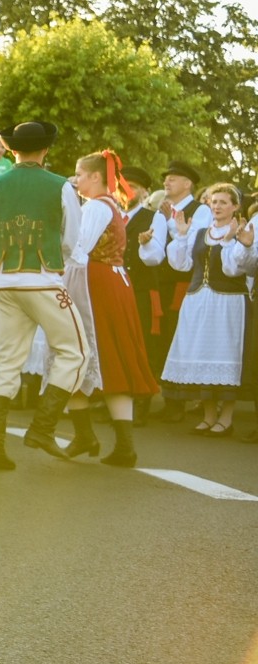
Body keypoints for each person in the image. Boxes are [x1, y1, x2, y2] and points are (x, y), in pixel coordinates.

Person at [0, 121, 87, 470]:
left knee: (7, 362)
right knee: (76, 353)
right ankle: (43, 427)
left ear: (11, 150)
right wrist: (55, 260)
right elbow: (72, 239)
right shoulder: (60, 185)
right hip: (42, 279)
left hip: (1, 282)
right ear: (46, 150)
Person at [55, 151, 159, 465]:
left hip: (94, 284)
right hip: (110, 282)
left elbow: (78, 250)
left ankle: (91, 437)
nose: (76, 180)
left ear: (96, 176)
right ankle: (116, 444)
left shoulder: (96, 207)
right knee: (104, 358)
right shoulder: (109, 206)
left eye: (80, 174)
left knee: (80, 353)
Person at [158, 182, 245, 436]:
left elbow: (234, 269)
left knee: (225, 356)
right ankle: (209, 416)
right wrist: (181, 235)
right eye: (213, 202)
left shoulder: (240, 233)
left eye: (223, 202)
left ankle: (226, 418)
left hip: (227, 302)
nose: (216, 206)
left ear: (235, 207)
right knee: (202, 354)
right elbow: (181, 265)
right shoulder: (200, 233)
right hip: (197, 300)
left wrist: (229, 241)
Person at [138, 161, 210, 423]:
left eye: (174, 178)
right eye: (166, 178)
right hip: (161, 283)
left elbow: (192, 247)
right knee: (159, 339)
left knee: (178, 338)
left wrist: (170, 222)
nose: (167, 182)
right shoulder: (161, 212)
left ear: (188, 184)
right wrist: (146, 244)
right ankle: (163, 398)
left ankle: (178, 401)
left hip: (184, 284)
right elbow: (155, 255)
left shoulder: (201, 210)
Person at [119, 165, 158, 423]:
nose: (127, 191)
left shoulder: (153, 218)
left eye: (133, 187)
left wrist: (145, 245)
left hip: (141, 288)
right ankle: (119, 399)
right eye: (123, 186)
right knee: (118, 343)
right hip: (116, 287)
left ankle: (142, 401)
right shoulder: (112, 215)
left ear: (145, 192)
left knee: (142, 344)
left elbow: (156, 257)